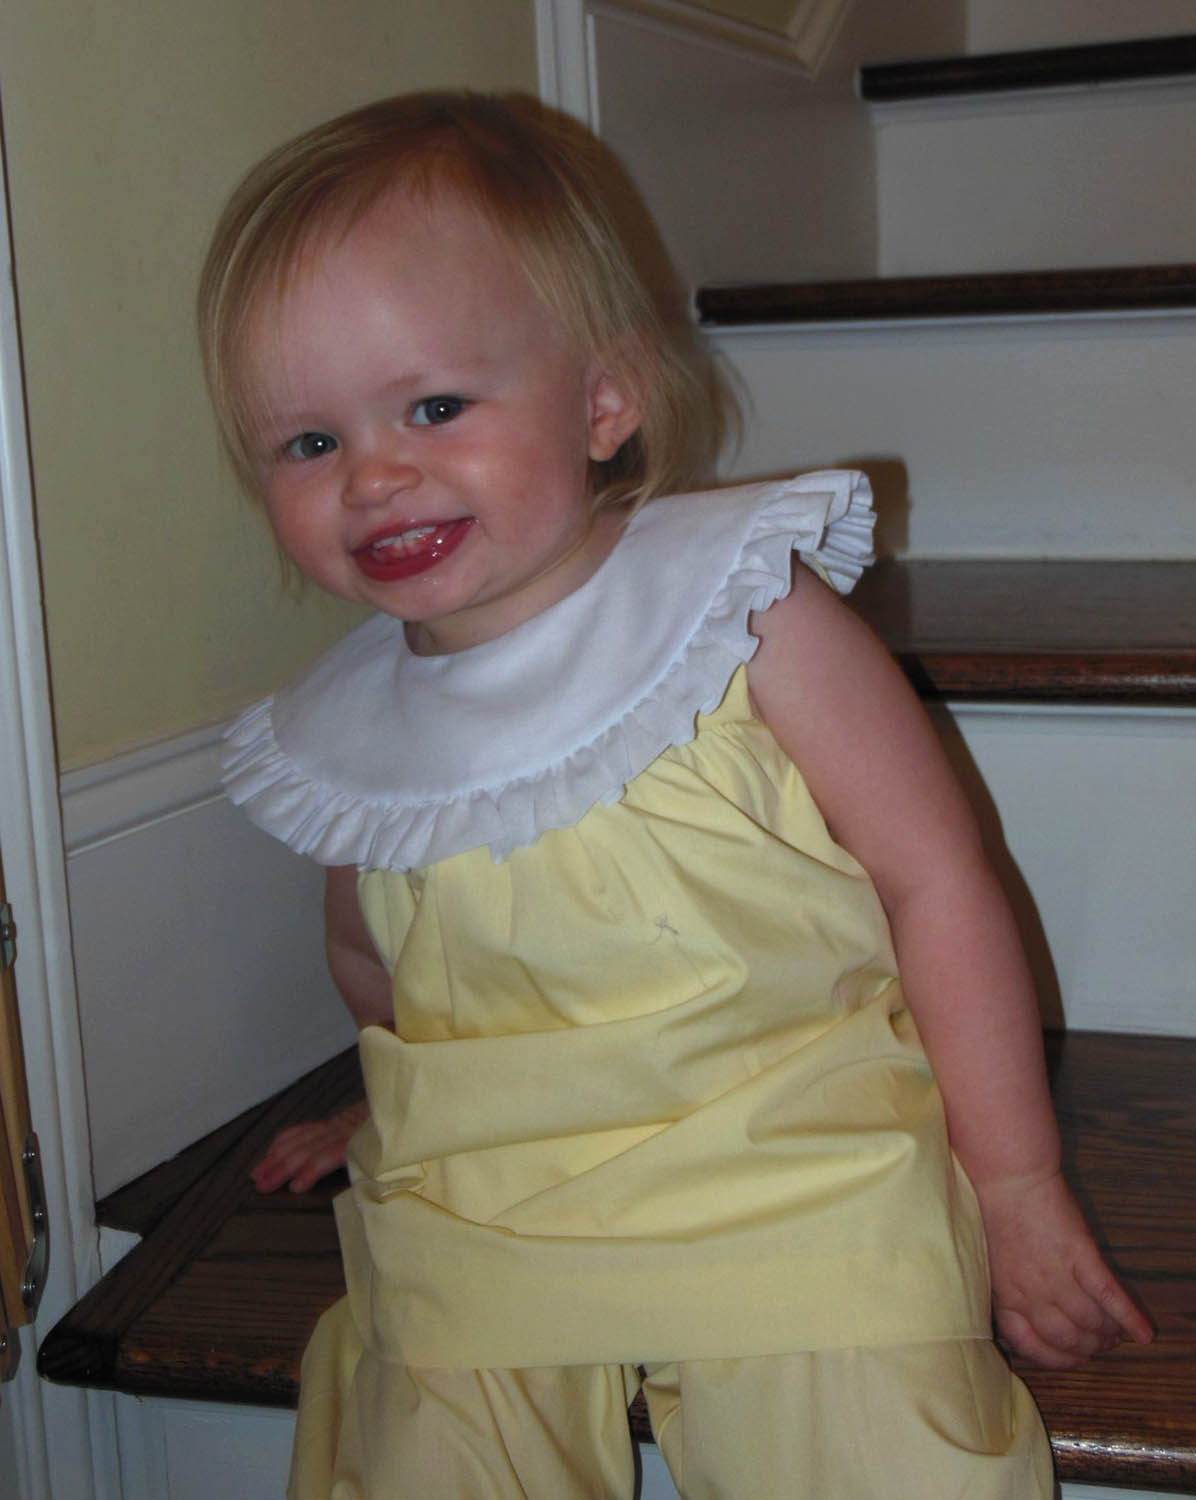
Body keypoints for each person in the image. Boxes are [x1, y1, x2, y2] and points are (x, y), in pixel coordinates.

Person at [200, 91, 1151, 1500]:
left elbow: (934, 880)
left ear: (603, 401)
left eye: (435, 407)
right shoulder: (357, 736)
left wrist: (1014, 1181)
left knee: (878, 1453)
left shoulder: (739, 613)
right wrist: (397, 1100)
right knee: (424, 1450)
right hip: (493, 1206)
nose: (375, 476)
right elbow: (375, 956)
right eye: (308, 444)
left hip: (786, 1167)